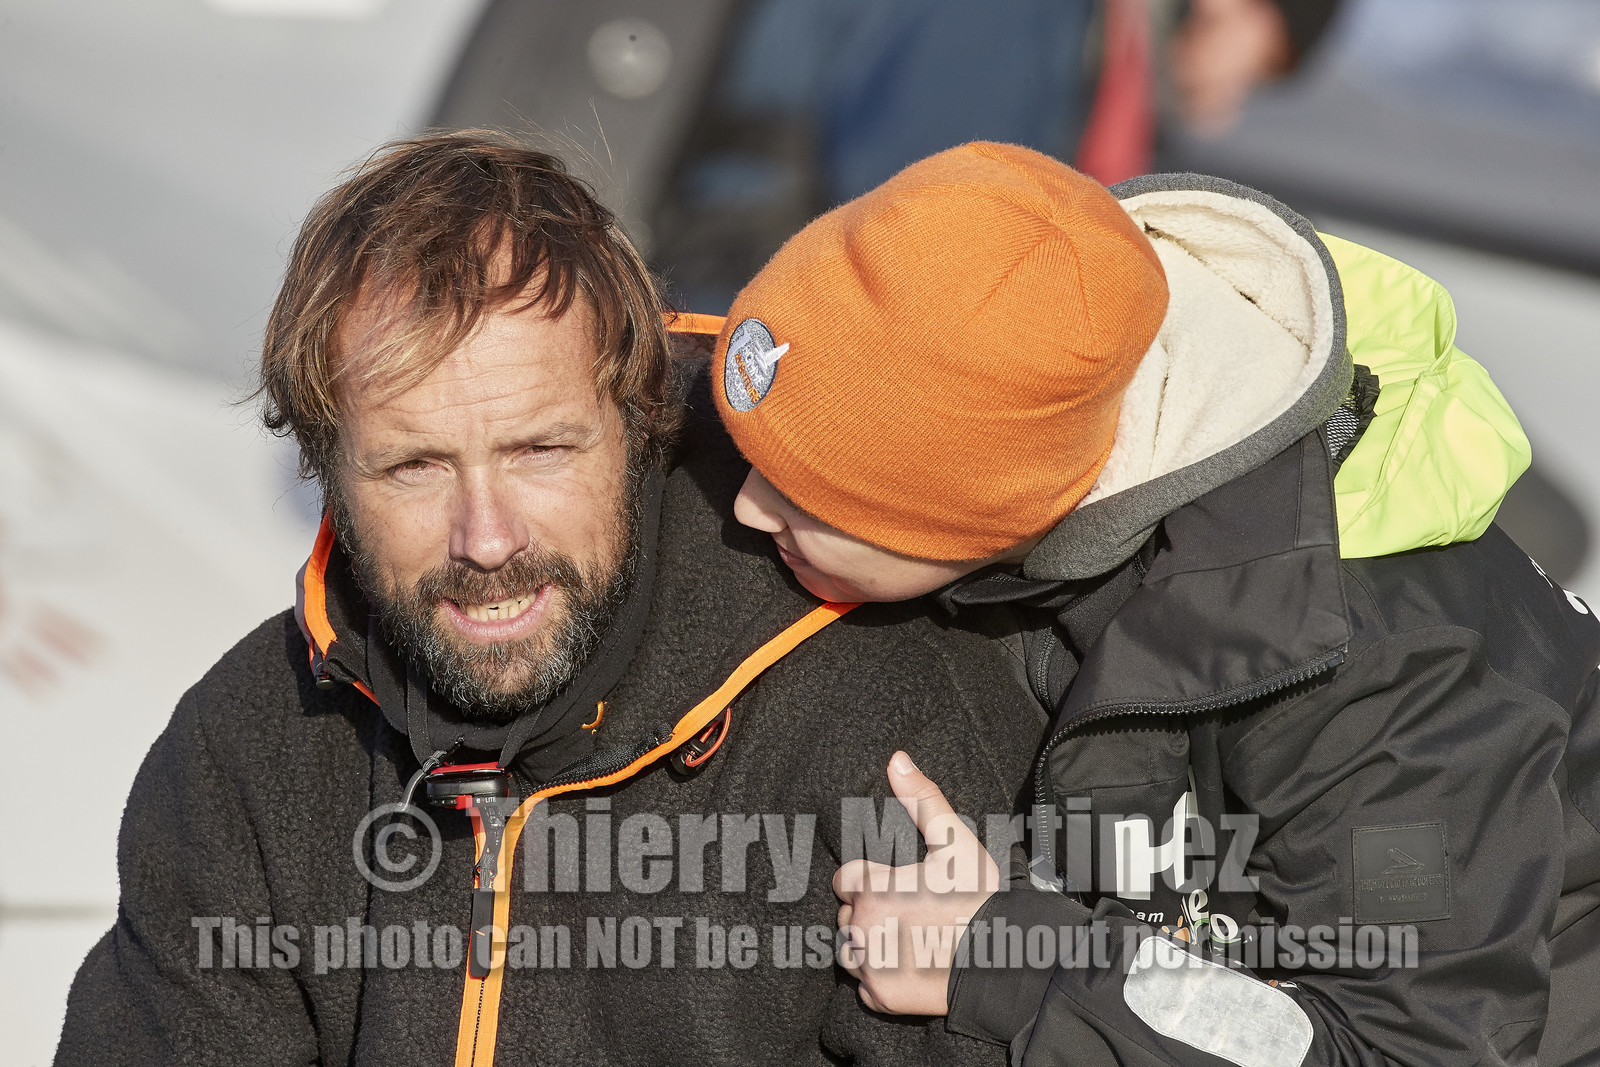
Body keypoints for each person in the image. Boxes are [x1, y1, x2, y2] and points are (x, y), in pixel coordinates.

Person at [52, 133, 1048, 1066]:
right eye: (412, 467)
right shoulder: (251, 744)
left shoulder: (885, 722)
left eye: (539, 449)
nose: (486, 538)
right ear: (326, 471)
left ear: (638, 424)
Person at [711, 141, 1600, 1065]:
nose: (743, 505)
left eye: (808, 490)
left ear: (977, 507)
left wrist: (1012, 956)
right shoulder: (1060, 406)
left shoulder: (1382, 694)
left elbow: (1408, 1046)